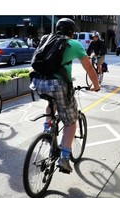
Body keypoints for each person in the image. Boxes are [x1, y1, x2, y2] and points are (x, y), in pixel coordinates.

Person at [30, 18, 100, 173]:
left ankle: (48, 129)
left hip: (38, 82)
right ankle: (64, 158)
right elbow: (89, 68)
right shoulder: (74, 44)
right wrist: (96, 85)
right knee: (71, 122)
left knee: (51, 102)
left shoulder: (45, 38)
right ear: (72, 31)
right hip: (58, 84)